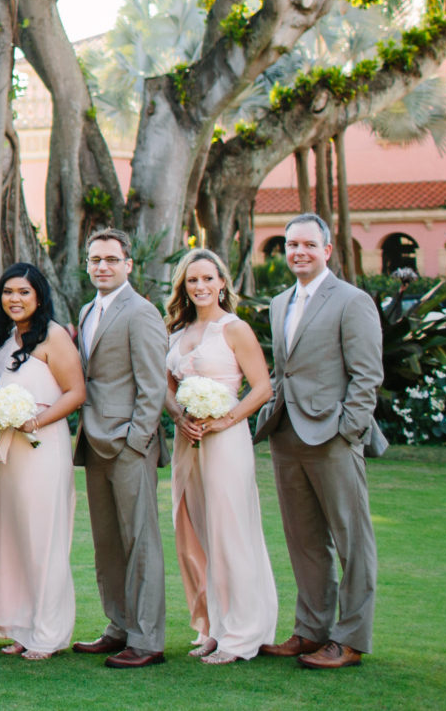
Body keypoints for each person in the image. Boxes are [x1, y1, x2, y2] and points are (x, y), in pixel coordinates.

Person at [258, 213, 383, 671]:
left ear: (327, 250)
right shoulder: (278, 302)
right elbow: (282, 369)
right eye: (292, 245)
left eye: (309, 245)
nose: (299, 253)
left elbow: (368, 375)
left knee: (353, 541)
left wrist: (349, 429)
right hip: (287, 435)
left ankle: (349, 639)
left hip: (334, 435)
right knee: (304, 540)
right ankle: (311, 631)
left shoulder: (352, 301)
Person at [166, 248, 278, 663]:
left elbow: (263, 388)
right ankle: (214, 625)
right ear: (184, 286)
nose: (200, 287)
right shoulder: (174, 332)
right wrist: (178, 415)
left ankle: (242, 634)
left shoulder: (235, 329)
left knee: (230, 531)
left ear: (222, 283)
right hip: (187, 442)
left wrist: (225, 420)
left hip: (226, 440)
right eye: (192, 280)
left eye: (208, 279)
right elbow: (165, 385)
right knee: (196, 531)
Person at [71, 227, 171, 668]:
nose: (102, 266)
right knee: (108, 543)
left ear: (128, 265)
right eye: (95, 259)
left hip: (129, 444)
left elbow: (152, 385)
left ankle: (147, 640)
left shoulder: (142, 312)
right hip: (93, 442)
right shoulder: (88, 309)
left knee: (140, 543)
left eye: (111, 259)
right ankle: (119, 626)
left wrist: (136, 440)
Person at [0, 263, 85, 660]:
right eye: (8, 292)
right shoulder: (6, 338)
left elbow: (76, 392)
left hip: (41, 447)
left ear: (38, 295)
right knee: (14, 539)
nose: (15, 299)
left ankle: (50, 633)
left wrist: (35, 420)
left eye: (23, 292)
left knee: (43, 539)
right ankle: (23, 626)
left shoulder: (53, 336)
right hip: (5, 454)